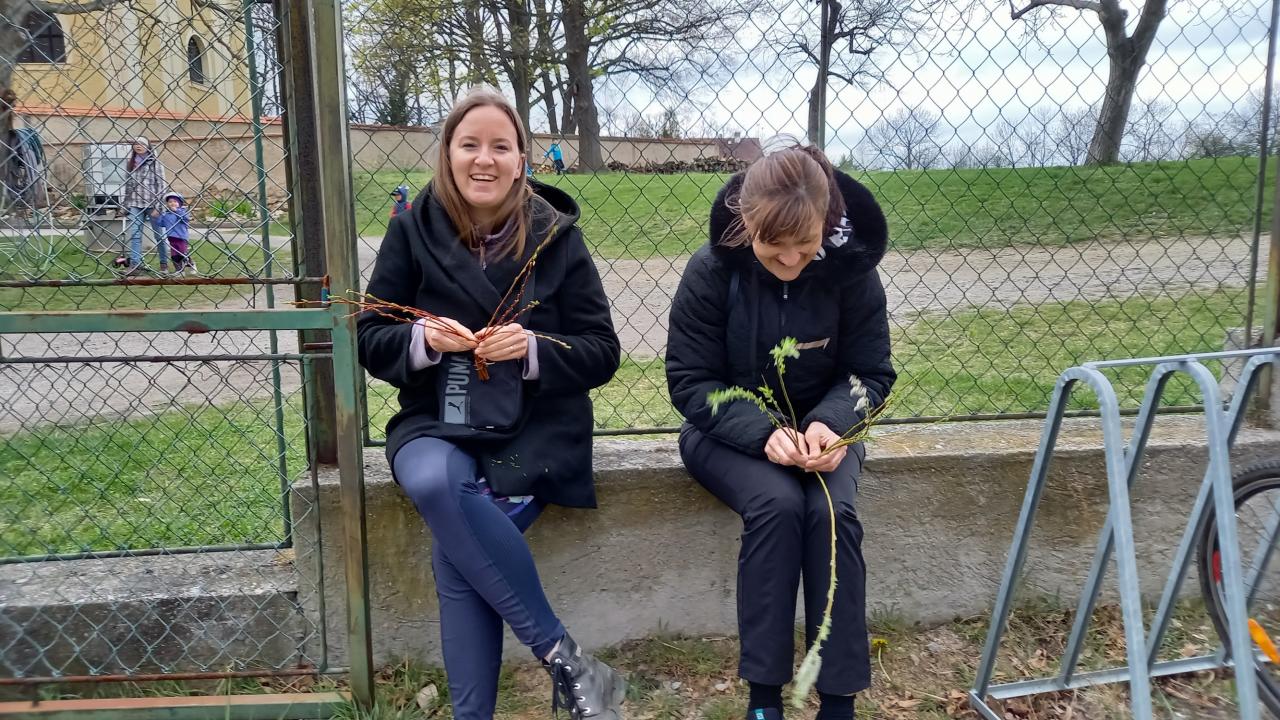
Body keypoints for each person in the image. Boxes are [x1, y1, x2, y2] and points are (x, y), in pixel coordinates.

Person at [357, 85, 625, 720]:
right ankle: (568, 661)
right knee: (433, 482)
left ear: (522, 158)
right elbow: (369, 335)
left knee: (456, 556)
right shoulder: (411, 229)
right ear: (447, 153)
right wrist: (422, 340)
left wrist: (532, 349)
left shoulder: (555, 237)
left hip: (534, 429)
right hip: (437, 417)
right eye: (469, 145)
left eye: (500, 147)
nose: (484, 159)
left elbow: (602, 350)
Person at [665, 145, 895, 720]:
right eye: (773, 246)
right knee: (777, 505)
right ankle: (764, 699)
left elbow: (871, 375)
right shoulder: (712, 271)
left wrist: (831, 424)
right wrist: (762, 430)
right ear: (747, 223)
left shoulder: (852, 272)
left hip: (825, 438)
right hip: (724, 434)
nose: (790, 260)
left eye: (805, 244)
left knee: (831, 515)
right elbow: (691, 382)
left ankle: (837, 701)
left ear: (827, 220)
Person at [119, 137, 169, 274]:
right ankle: (135, 265)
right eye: (135, 144)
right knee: (135, 235)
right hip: (135, 203)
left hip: (152, 203)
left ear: (148, 146)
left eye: (141, 144)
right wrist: (125, 206)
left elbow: (162, 185)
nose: (138, 146)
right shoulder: (131, 163)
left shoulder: (155, 163)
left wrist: (159, 207)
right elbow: (128, 186)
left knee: (159, 236)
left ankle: (164, 265)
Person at [156, 192, 196, 276]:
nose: (172, 203)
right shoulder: (166, 214)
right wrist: (160, 215)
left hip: (181, 237)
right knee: (174, 256)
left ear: (180, 203)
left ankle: (191, 264)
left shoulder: (182, 212)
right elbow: (160, 223)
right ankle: (179, 271)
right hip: (171, 238)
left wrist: (177, 211)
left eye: (175, 201)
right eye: (170, 202)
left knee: (183, 254)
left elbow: (185, 219)